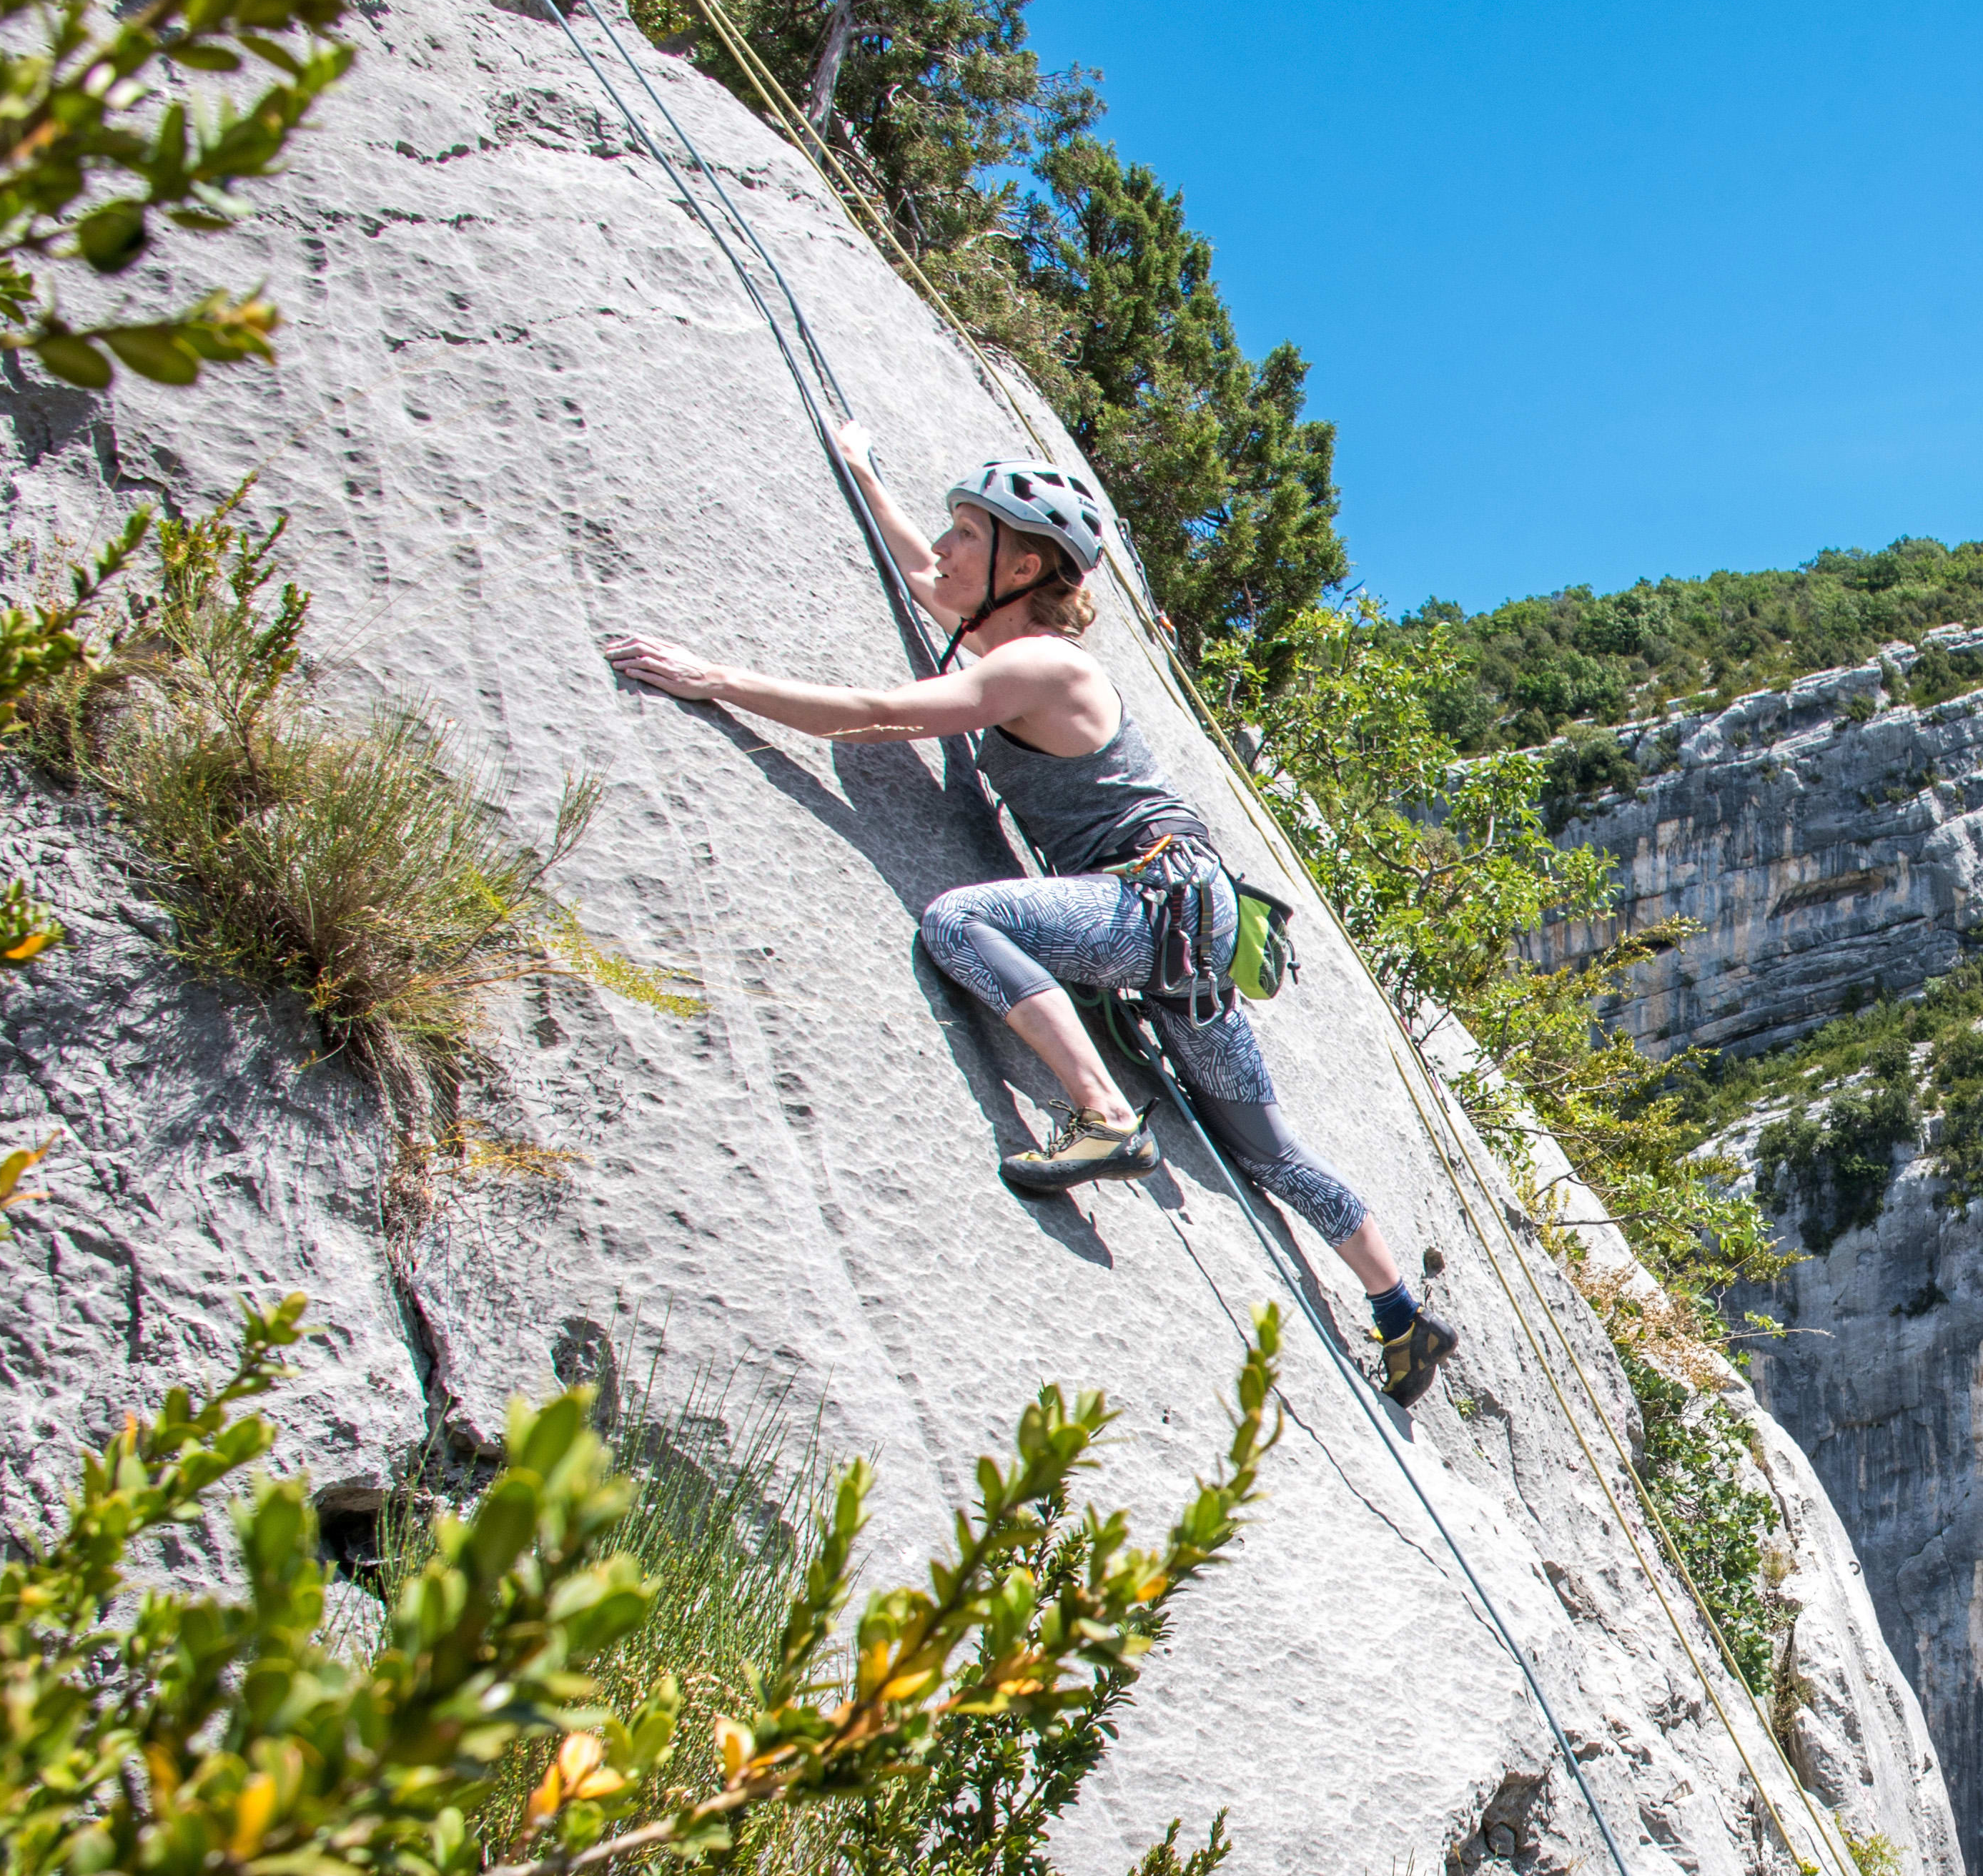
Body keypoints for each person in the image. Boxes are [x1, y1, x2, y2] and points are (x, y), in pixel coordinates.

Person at [602, 425, 1458, 1406]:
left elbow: (876, 713)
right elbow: (928, 579)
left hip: (1149, 904)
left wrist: (714, 681)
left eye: (970, 533)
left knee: (960, 924)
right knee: (1269, 1149)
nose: (948, 546)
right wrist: (865, 472)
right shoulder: (1010, 647)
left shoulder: (1041, 667)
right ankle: (1403, 1317)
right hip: (1187, 919)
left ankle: (1103, 1117)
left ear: (1023, 566)